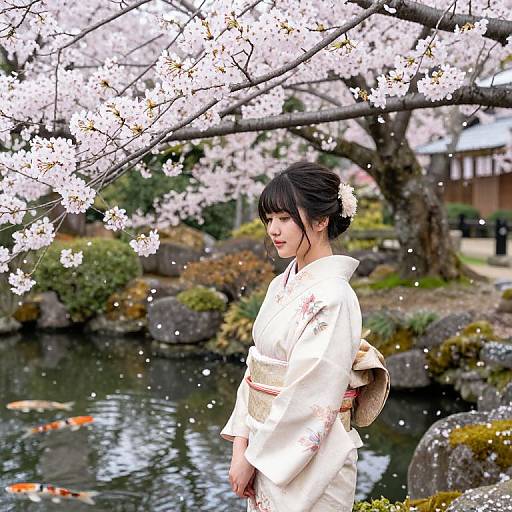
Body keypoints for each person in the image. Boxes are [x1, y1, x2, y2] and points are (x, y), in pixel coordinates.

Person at [220, 161, 381, 511]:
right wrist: (242, 447)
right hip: (266, 446)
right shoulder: (281, 285)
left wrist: (255, 458)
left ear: (321, 221)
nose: (273, 230)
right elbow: (255, 370)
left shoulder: (334, 297)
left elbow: (311, 393)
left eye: (284, 218)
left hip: (313, 459)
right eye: (269, 220)